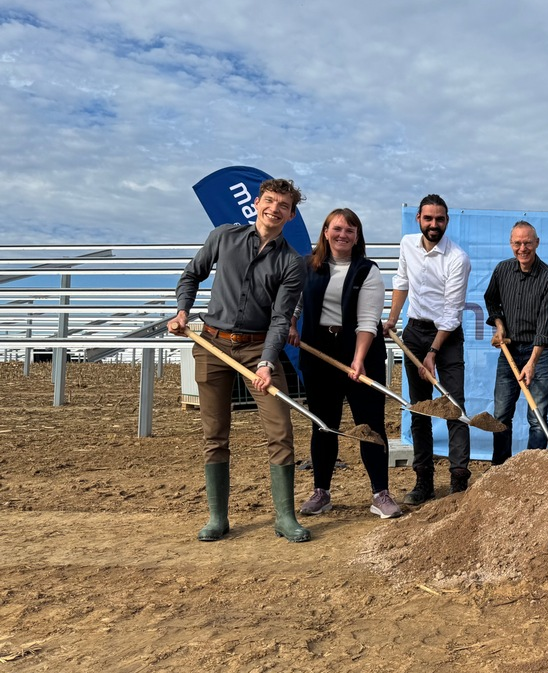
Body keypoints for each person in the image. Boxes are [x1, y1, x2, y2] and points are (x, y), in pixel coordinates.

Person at [168, 178, 310, 542]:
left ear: (291, 215)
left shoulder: (291, 262)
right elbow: (192, 274)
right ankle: (218, 518)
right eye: (269, 201)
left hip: (257, 348)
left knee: (280, 431)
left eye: (283, 206)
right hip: (212, 345)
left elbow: (281, 318)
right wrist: (182, 311)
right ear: (257, 204)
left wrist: (266, 361)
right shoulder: (223, 237)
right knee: (215, 434)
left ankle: (285, 517)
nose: (274, 209)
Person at [288, 208, 401, 519]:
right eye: (337, 228)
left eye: (350, 230)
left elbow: (368, 320)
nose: (343, 235)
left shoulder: (368, 270)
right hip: (318, 352)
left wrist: (358, 359)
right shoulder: (307, 266)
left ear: (357, 237)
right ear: (325, 232)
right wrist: (292, 323)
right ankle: (321, 492)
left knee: (370, 426)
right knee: (324, 425)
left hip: (361, 352)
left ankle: (380, 493)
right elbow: (295, 301)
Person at [383, 194, 472, 504]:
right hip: (414, 332)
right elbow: (401, 281)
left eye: (440, 219)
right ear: (419, 219)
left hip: (446, 338)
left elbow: (452, 312)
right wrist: (392, 319)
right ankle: (424, 484)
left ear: (447, 221)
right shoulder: (408, 244)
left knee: (453, 408)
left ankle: (459, 482)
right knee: (419, 410)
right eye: (428, 218)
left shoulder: (457, 258)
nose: (434, 224)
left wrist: (432, 353)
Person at [484, 221, 548, 464]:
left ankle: (531, 470)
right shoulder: (502, 270)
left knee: (536, 415)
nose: (522, 248)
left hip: (540, 352)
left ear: (537, 243)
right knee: (501, 415)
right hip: (509, 349)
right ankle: (499, 469)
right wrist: (499, 325)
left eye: (527, 242)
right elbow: (491, 300)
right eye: (517, 243)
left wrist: (532, 362)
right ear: (511, 244)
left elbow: (546, 326)